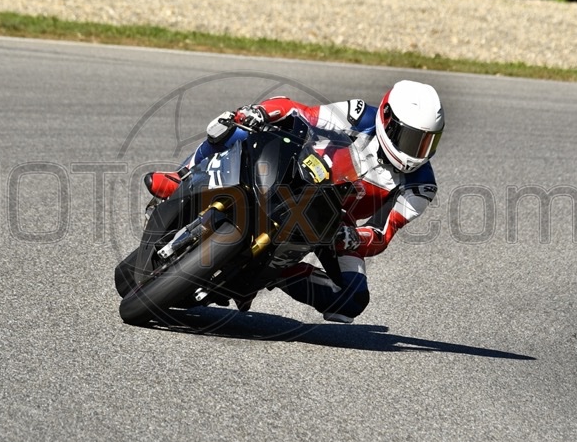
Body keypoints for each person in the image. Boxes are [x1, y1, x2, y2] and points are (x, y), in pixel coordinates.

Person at [145, 80, 444, 323]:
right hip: (300, 168)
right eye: (412, 139)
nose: (418, 152)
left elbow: (382, 234)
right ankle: (180, 178)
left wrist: (353, 237)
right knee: (235, 127)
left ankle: (275, 273)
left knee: (352, 299)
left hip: (336, 222)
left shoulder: (421, 186)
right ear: (387, 120)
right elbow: (301, 112)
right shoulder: (359, 115)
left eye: (428, 141)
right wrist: (258, 113)